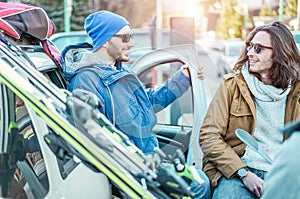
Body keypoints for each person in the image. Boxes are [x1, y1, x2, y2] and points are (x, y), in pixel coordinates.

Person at [61, 10, 210, 199]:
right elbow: (96, 139)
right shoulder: (86, 81)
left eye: (130, 36)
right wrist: (137, 168)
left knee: (199, 181)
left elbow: (149, 102)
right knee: (199, 186)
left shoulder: (120, 70)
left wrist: (183, 78)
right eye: (125, 37)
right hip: (132, 171)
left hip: (150, 159)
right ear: (106, 41)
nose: (131, 43)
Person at [199, 21, 300, 199]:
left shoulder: (296, 91)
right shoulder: (231, 85)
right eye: (250, 47)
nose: (250, 54)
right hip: (237, 172)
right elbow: (209, 136)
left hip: (283, 172)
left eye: (258, 49)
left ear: (280, 53)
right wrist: (243, 173)